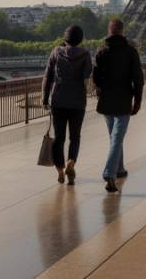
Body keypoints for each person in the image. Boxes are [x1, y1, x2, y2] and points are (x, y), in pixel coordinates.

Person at [93, 18, 144, 193]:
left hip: (107, 100)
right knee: (117, 138)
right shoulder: (130, 52)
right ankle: (110, 173)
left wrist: (101, 90)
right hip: (123, 100)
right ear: (122, 31)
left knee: (115, 138)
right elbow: (138, 79)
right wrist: (137, 100)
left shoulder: (101, 51)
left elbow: (96, 77)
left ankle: (120, 169)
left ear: (109, 31)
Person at [43, 25, 93, 185]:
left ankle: (60, 170)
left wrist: (45, 98)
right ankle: (71, 161)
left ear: (65, 38)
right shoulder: (85, 55)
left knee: (59, 138)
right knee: (75, 136)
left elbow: (47, 77)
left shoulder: (56, 52)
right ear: (80, 39)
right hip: (77, 101)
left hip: (58, 100)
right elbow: (86, 80)